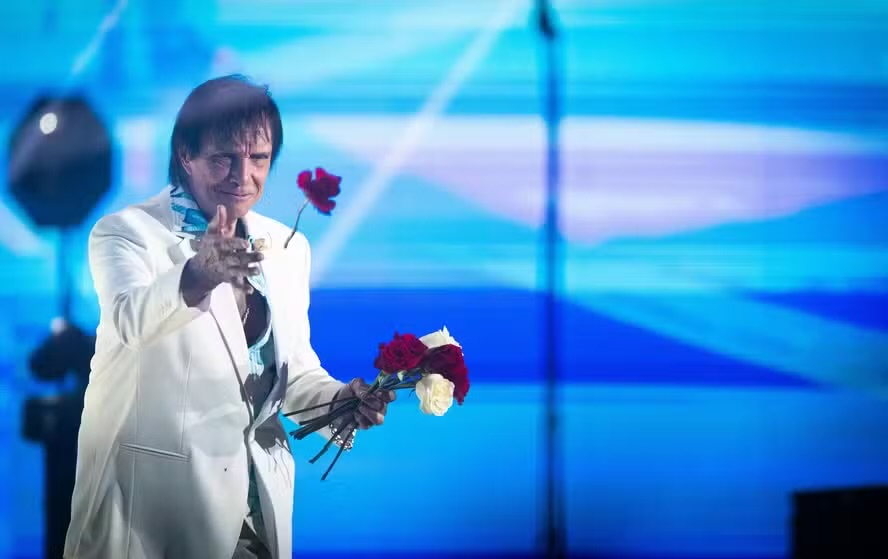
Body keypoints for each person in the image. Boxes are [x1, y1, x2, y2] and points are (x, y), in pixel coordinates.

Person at [64, 75, 394, 559]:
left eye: (259, 158)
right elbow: (130, 320)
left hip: (256, 514)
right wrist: (197, 274)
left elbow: (291, 377)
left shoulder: (287, 248)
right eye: (224, 157)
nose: (243, 175)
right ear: (186, 154)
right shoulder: (128, 233)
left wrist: (342, 402)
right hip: (150, 518)